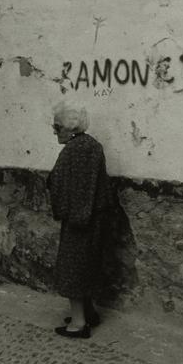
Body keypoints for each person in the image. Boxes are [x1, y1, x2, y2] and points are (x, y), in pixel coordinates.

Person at [47, 102, 115, 339]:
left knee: (72, 269)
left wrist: (72, 214)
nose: (54, 131)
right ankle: (89, 313)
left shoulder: (73, 151)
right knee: (87, 266)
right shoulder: (93, 145)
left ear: (70, 128)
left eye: (57, 126)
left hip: (79, 219)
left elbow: (69, 187)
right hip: (95, 217)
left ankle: (78, 324)